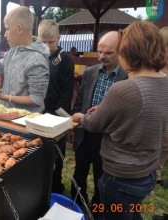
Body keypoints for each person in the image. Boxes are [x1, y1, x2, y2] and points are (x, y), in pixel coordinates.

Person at [72, 20, 168, 220]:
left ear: (127, 52)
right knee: (132, 212)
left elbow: (93, 123)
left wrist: (81, 116)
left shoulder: (125, 88)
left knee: (116, 214)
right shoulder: (164, 82)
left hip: (121, 176)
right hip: (146, 172)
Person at [70, 31, 128, 213]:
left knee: (101, 177)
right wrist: (75, 121)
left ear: (120, 51)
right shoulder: (91, 72)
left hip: (108, 138)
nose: (102, 56)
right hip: (85, 131)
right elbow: (80, 101)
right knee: (79, 172)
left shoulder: (128, 78)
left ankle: (98, 207)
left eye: (108, 53)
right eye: (99, 52)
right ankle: (77, 202)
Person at [37, 19, 74, 194]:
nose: (46, 46)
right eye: (42, 42)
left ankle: (56, 185)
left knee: (57, 153)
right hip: (38, 112)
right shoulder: (37, 56)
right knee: (40, 151)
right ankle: (39, 184)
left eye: (50, 42)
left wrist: (61, 117)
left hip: (57, 113)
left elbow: (67, 91)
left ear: (58, 39)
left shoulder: (64, 59)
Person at [156, 26, 168, 189]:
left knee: (165, 143)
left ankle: (157, 173)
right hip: (159, 110)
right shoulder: (156, 64)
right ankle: (154, 174)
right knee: (161, 141)